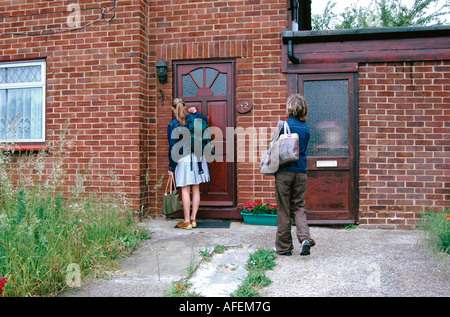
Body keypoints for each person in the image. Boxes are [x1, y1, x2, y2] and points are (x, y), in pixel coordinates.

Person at [273, 94, 315, 256]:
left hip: (284, 172)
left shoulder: (283, 126)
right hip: (301, 172)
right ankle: (305, 239)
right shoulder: (306, 128)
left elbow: (274, 148)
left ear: (289, 108)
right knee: (299, 206)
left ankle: (284, 247)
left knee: (284, 209)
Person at [167, 97, 210, 230]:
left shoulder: (173, 124)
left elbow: (173, 148)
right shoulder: (193, 119)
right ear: (185, 107)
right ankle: (193, 218)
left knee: (185, 189)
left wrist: (171, 167)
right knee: (196, 189)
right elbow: (205, 122)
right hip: (198, 157)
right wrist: (196, 112)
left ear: (172, 109)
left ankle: (186, 221)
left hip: (184, 160)